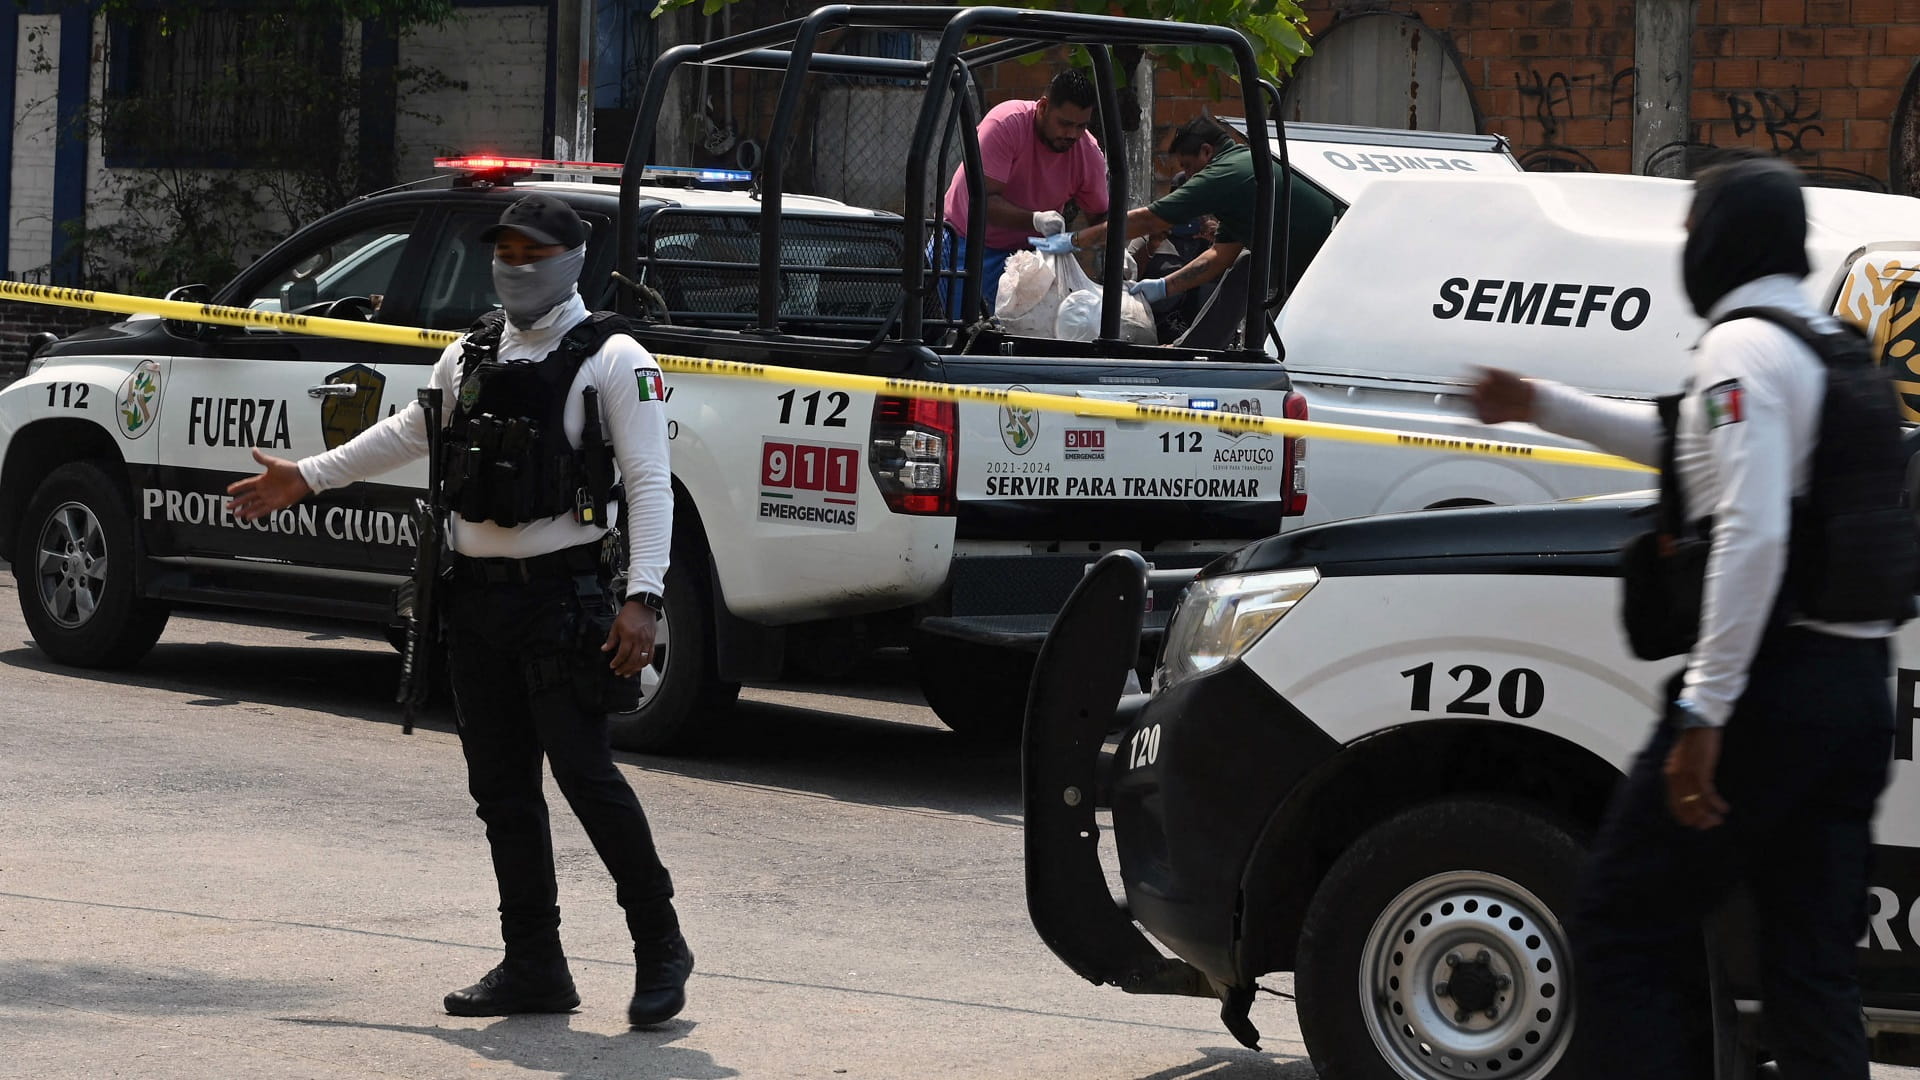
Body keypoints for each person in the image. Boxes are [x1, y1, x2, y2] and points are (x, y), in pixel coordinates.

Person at [1469, 158, 1900, 1078]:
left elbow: (1752, 531)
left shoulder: (1744, 347)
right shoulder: (1829, 343)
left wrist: (1706, 710)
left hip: (1768, 698)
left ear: (1722, 240)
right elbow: (1687, 438)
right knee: (1808, 970)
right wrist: (1538, 403)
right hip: (1854, 695)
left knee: (1624, 921)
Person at [227, 193, 694, 1028]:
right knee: (503, 792)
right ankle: (534, 964)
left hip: (564, 601)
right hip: (475, 604)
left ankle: (661, 947)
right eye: (504, 250)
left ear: (572, 258)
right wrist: (307, 475)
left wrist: (644, 600)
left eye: (533, 251)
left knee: (588, 778)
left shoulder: (615, 357)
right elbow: (411, 431)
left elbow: (650, 482)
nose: (515, 265)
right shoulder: (472, 351)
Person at [1035, 114, 1267, 311]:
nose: (1187, 178)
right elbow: (1219, 257)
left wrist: (1076, 239)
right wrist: (1164, 286)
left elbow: (1148, 219)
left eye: (1187, 166)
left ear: (1207, 152)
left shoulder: (1225, 173)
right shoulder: (1242, 173)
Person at [935, 68, 1109, 316]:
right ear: (1043, 107)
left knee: (1032, 335)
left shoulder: (1087, 153)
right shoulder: (1006, 125)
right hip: (964, 243)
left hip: (1027, 257)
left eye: (1081, 126)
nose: (1072, 134)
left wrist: (1117, 250)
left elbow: (1100, 218)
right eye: (1065, 123)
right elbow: (982, 203)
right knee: (955, 331)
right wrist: (1035, 219)